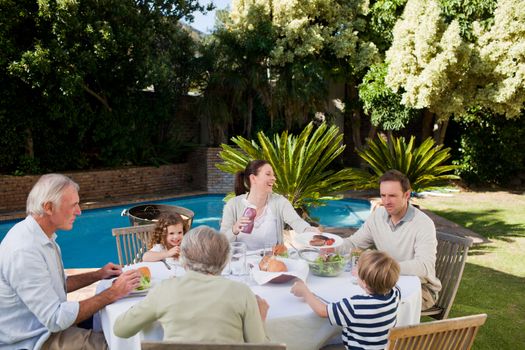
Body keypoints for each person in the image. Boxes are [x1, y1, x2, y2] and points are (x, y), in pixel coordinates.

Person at [0, 173, 141, 350]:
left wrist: (98, 274)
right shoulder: (24, 251)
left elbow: (58, 285)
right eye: (73, 205)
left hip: (45, 328)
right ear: (49, 207)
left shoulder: (42, 237)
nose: (79, 211)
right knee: (115, 344)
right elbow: (55, 319)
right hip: (33, 341)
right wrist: (112, 293)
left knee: (111, 324)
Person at [113, 226, 270, 343]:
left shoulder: (165, 290)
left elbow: (121, 329)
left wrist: (147, 304)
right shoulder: (242, 292)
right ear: (224, 261)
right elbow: (260, 346)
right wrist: (261, 318)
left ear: (184, 259)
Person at [343, 169, 441, 309]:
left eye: (392, 196)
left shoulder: (423, 224)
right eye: (383, 195)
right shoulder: (378, 216)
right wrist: (327, 244)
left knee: (372, 306)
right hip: (385, 283)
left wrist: (383, 269)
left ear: (407, 195)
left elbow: (424, 266)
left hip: (421, 289)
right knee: (353, 298)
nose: (386, 201)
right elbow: (353, 243)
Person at [291, 250, 401, 350]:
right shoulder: (395, 293)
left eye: (357, 268)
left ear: (364, 283)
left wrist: (305, 292)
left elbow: (323, 311)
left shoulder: (355, 306)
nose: (355, 269)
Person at [220, 160, 319, 250]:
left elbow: (296, 221)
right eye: (268, 174)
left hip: (272, 263)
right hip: (242, 263)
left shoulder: (279, 202)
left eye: (273, 175)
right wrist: (234, 229)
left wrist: (310, 231)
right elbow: (221, 242)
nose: (274, 178)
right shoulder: (233, 205)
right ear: (253, 178)